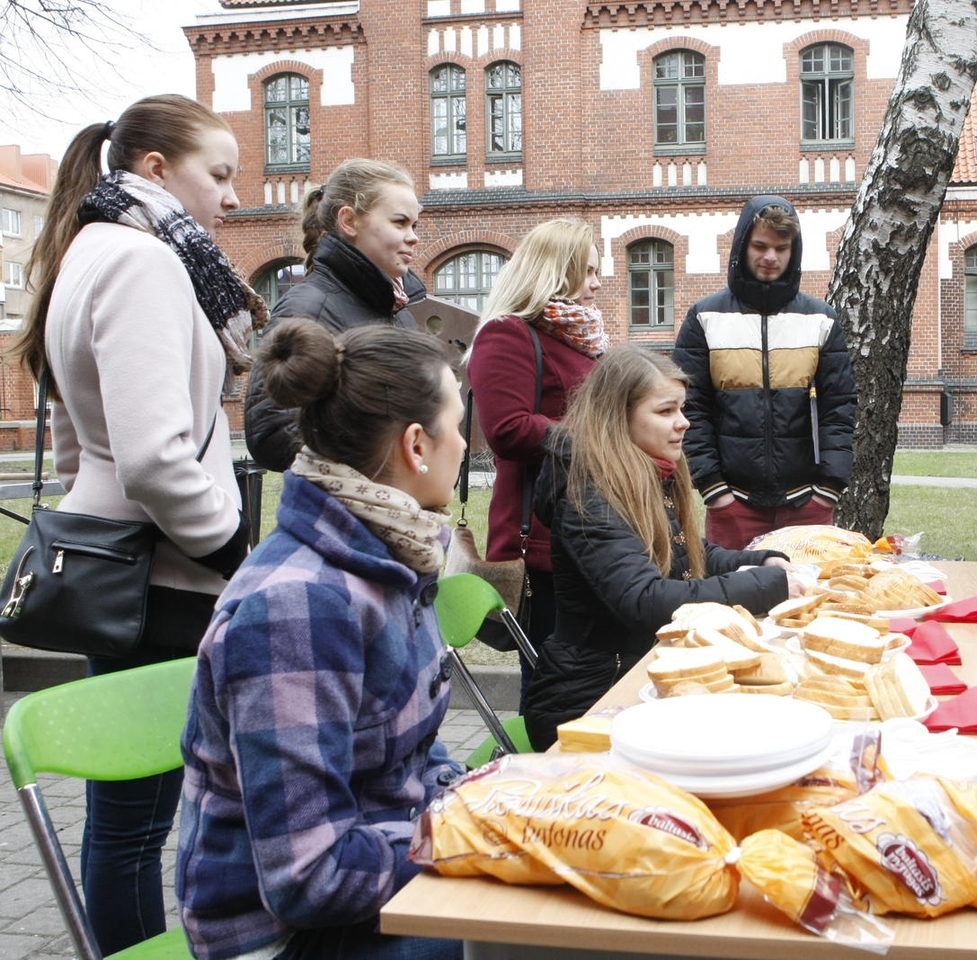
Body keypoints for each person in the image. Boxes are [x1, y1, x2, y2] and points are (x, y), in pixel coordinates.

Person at [10, 94, 256, 954]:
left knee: (126, 822)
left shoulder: (89, 249)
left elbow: (88, 447)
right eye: (218, 174)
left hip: (122, 566)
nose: (231, 196)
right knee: (136, 824)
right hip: (165, 573)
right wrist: (235, 553)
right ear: (156, 170)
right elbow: (155, 459)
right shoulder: (146, 263)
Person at [178, 319, 465, 960]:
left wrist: (493, 801)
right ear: (417, 445)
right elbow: (310, 878)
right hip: (285, 938)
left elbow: (407, 751)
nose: (466, 442)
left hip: (378, 876)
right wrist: (477, 846)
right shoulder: (297, 607)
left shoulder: (389, 552)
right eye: (460, 423)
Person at [523, 345, 800, 750]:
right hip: (590, 697)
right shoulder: (589, 493)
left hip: (640, 668)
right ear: (618, 416)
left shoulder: (642, 469)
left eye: (682, 410)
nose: (683, 423)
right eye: (666, 411)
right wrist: (765, 585)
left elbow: (682, 554)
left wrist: (757, 561)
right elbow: (645, 598)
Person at [466, 218, 604, 707]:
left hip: (589, 530)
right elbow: (506, 429)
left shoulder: (581, 338)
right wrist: (599, 439)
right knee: (552, 681)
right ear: (556, 270)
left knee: (586, 670)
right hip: (542, 538)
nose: (597, 282)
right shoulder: (508, 333)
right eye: (587, 271)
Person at [672, 195, 856, 550]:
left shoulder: (820, 319)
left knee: (812, 603)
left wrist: (829, 490)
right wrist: (713, 489)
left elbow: (840, 408)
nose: (771, 257)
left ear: (793, 251)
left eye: (781, 248)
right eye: (760, 245)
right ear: (742, 245)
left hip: (808, 505)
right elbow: (690, 408)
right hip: (732, 506)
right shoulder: (705, 317)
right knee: (734, 603)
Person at [245, 158, 426, 472]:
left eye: (414, 225)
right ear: (349, 221)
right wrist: (383, 453)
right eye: (400, 222)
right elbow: (271, 434)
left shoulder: (400, 310)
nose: (413, 237)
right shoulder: (306, 310)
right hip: (339, 515)